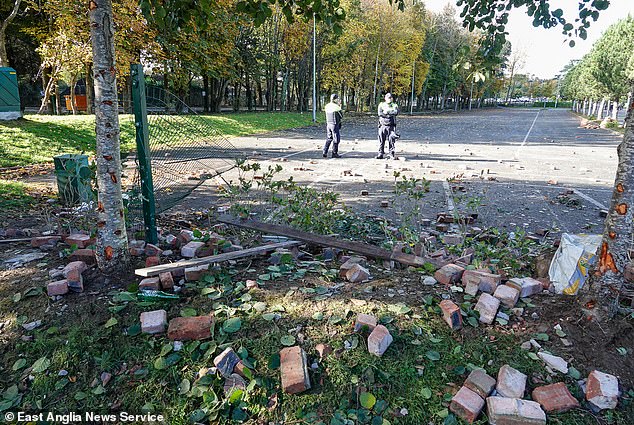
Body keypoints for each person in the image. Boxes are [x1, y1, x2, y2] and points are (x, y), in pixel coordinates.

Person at [376, 93, 399, 159]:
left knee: (391, 140)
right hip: (382, 125)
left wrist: (387, 112)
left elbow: (396, 112)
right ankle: (380, 153)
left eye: (391, 98)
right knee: (381, 141)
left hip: (391, 125)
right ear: (385, 98)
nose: (390, 99)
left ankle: (391, 154)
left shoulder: (394, 105)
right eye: (388, 97)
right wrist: (388, 115)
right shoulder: (381, 104)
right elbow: (380, 113)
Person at [323, 93, 343, 158]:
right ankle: (334, 153)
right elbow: (341, 116)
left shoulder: (327, 106)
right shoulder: (336, 107)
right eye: (337, 99)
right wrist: (340, 106)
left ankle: (325, 151)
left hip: (328, 124)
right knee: (336, 139)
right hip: (334, 124)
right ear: (335, 100)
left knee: (329, 138)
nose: (338, 100)